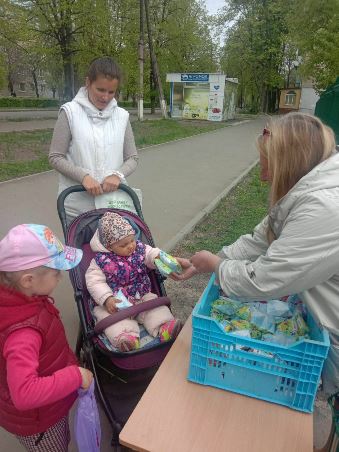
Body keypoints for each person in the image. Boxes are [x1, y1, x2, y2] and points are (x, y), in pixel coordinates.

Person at [177, 112, 339, 397]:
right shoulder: (307, 191)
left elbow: (263, 280)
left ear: (289, 166)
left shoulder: (324, 208)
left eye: (268, 167)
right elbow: (259, 240)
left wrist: (216, 264)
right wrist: (206, 261)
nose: (263, 177)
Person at [0, 224, 93, 451]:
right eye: (56, 272)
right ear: (28, 280)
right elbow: (24, 394)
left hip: (45, 410)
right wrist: (74, 375)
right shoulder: (23, 333)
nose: (60, 278)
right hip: (40, 423)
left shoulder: (24, 300)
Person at [49, 56, 138, 220]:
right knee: (82, 246)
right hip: (76, 205)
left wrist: (117, 175)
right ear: (88, 83)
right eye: (101, 90)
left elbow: (132, 158)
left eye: (111, 92)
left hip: (113, 204)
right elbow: (55, 157)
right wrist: (83, 177)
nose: (106, 97)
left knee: (120, 245)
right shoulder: (70, 112)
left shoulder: (122, 116)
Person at [85, 212, 188, 352]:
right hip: (117, 302)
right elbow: (94, 281)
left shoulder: (139, 248)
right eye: (124, 245)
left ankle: (165, 327)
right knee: (109, 318)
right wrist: (106, 298)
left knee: (155, 307)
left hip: (142, 294)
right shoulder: (100, 261)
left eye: (132, 240)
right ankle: (126, 338)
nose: (130, 246)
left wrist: (159, 258)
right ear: (109, 246)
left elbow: (150, 253)